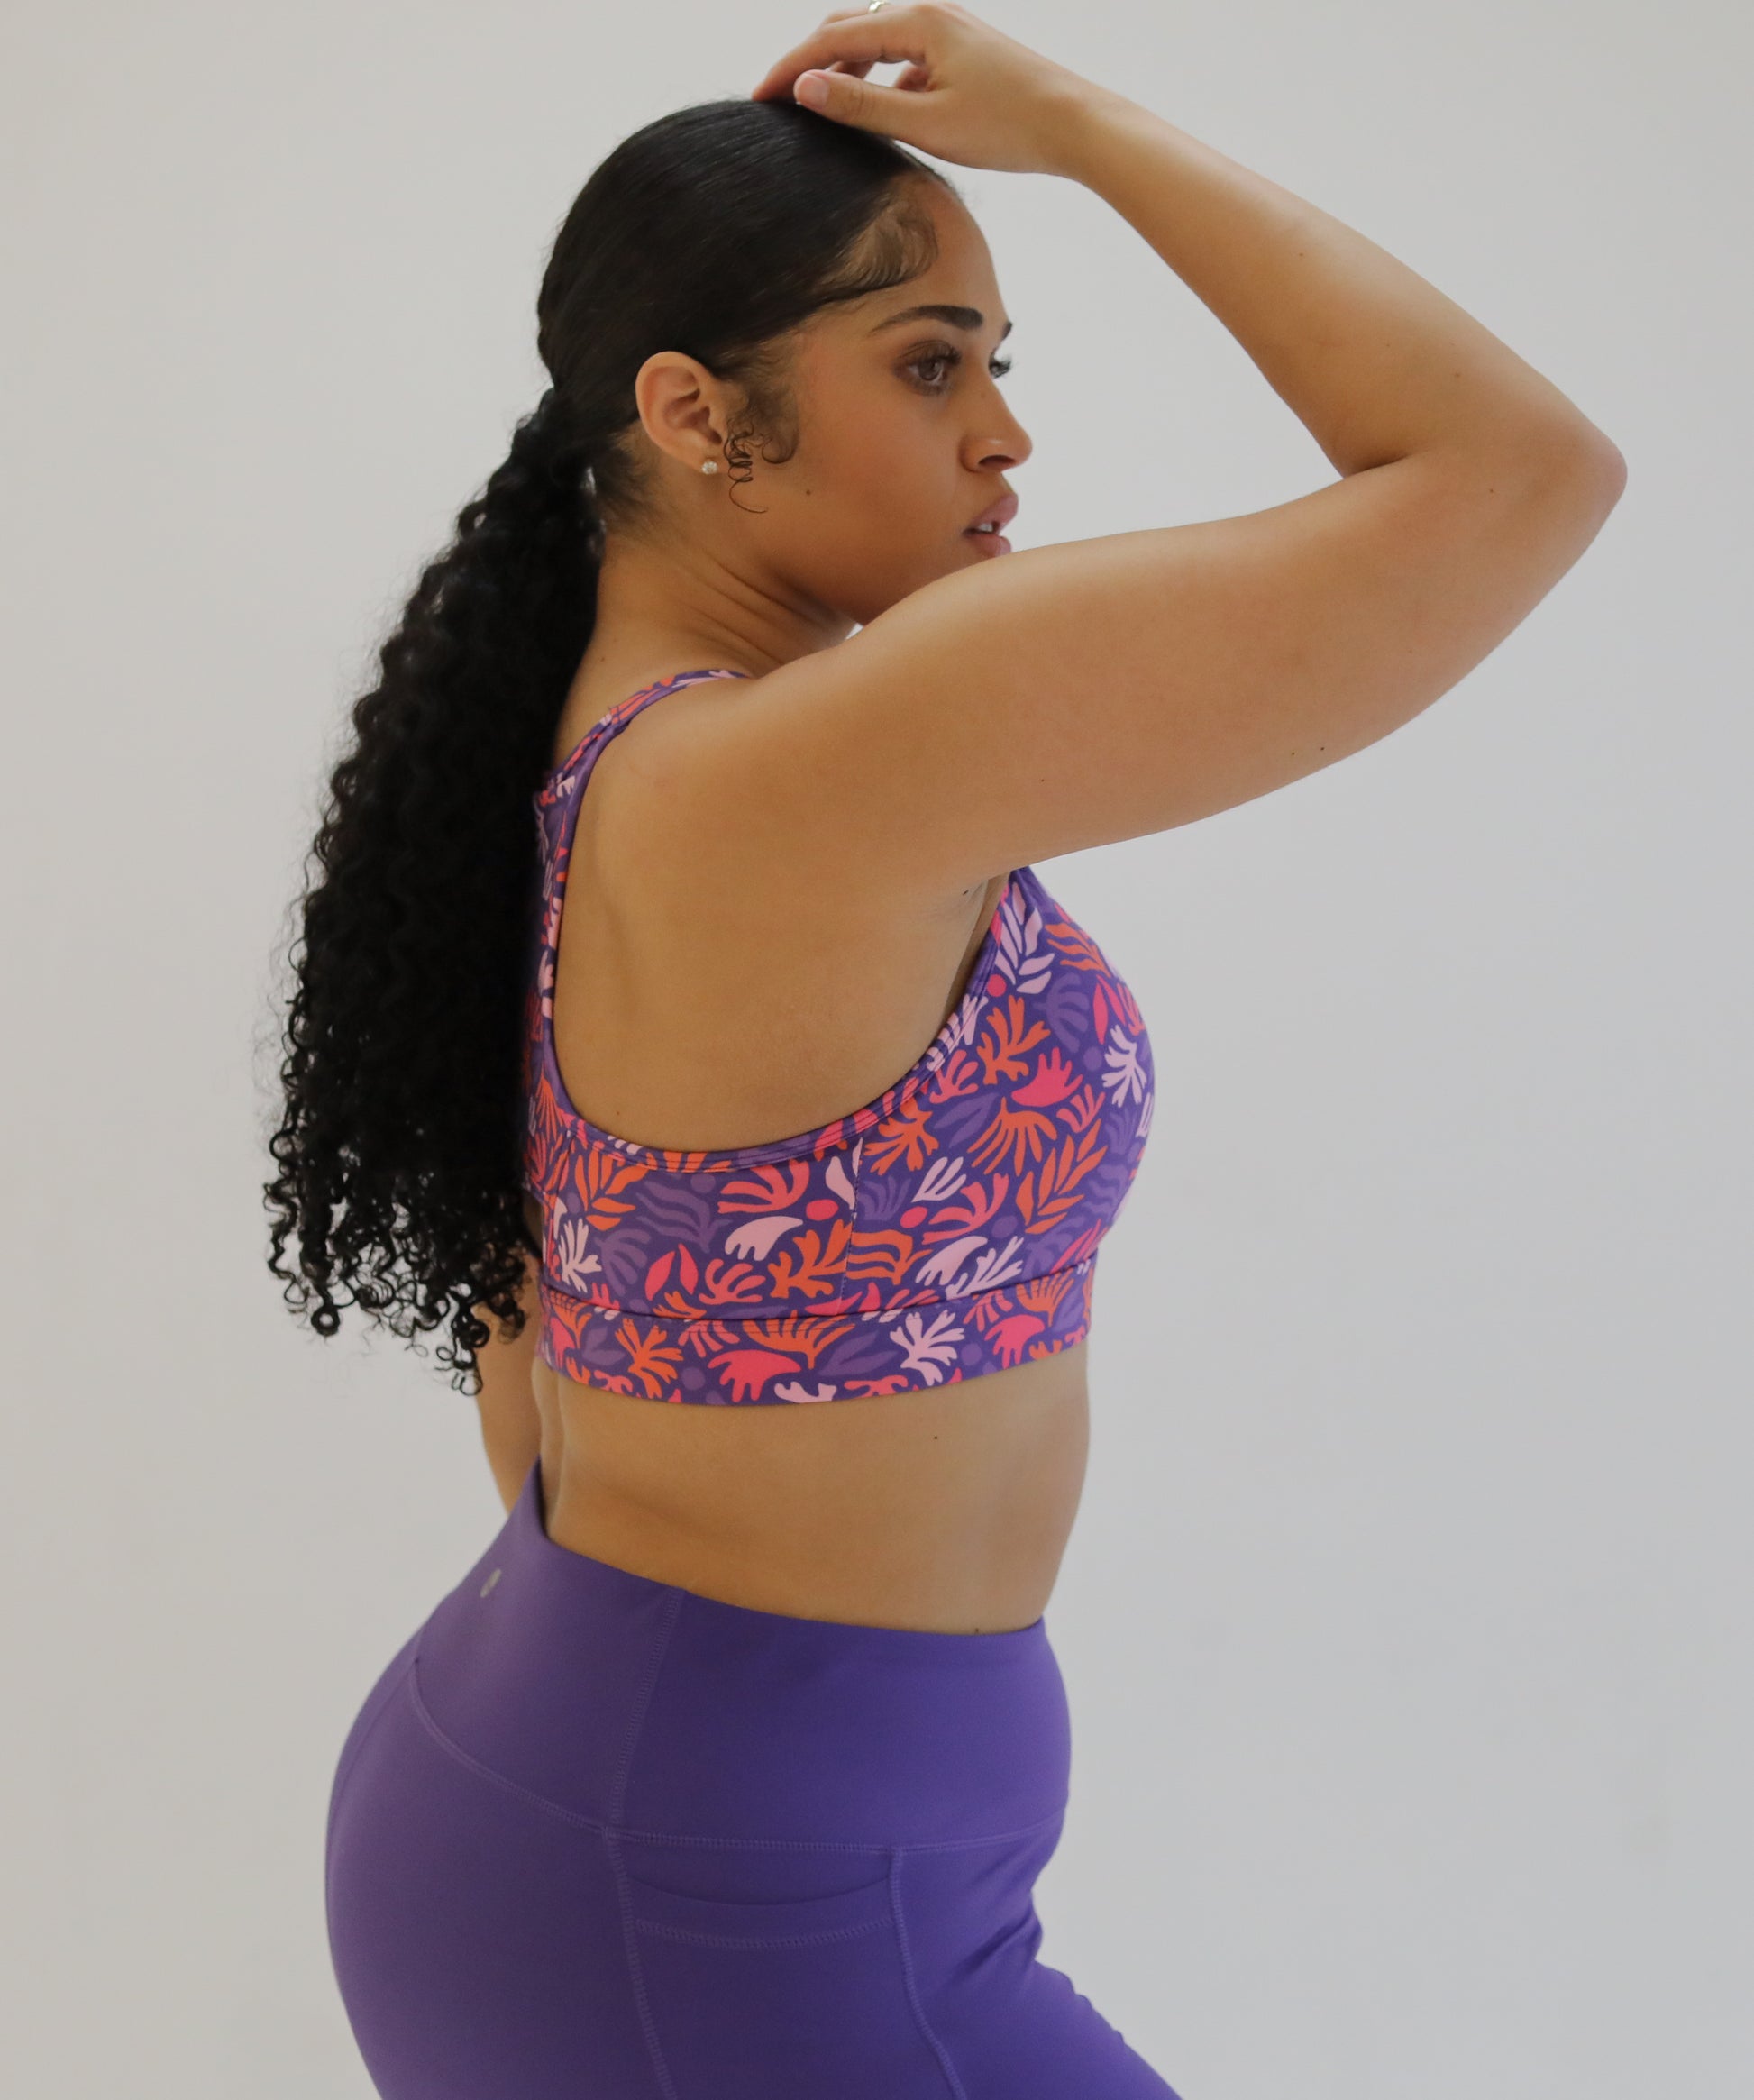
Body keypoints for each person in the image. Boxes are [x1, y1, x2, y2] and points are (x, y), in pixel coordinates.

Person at [266, 5, 1624, 2094]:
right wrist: (1074, 122)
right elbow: (1516, 475)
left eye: (997, 363)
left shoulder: (614, 759)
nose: (1004, 435)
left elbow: (549, 1345)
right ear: (696, 417)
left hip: (620, 1818)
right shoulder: (808, 764)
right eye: (929, 363)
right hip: (743, 1915)